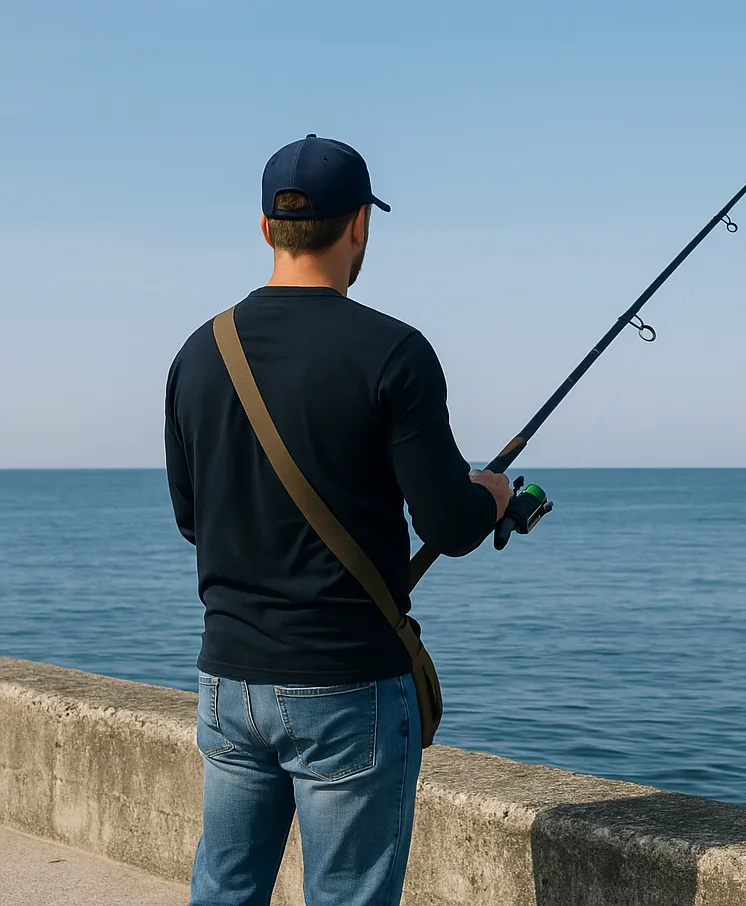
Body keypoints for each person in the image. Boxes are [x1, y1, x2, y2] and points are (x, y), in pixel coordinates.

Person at [164, 134, 512, 906]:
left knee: (223, 890)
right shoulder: (394, 353)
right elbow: (450, 526)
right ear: (360, 224)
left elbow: (193, 520)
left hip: (229, 681)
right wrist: (491, 493)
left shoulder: (198, 354)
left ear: (267, 228)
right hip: (347, 685)